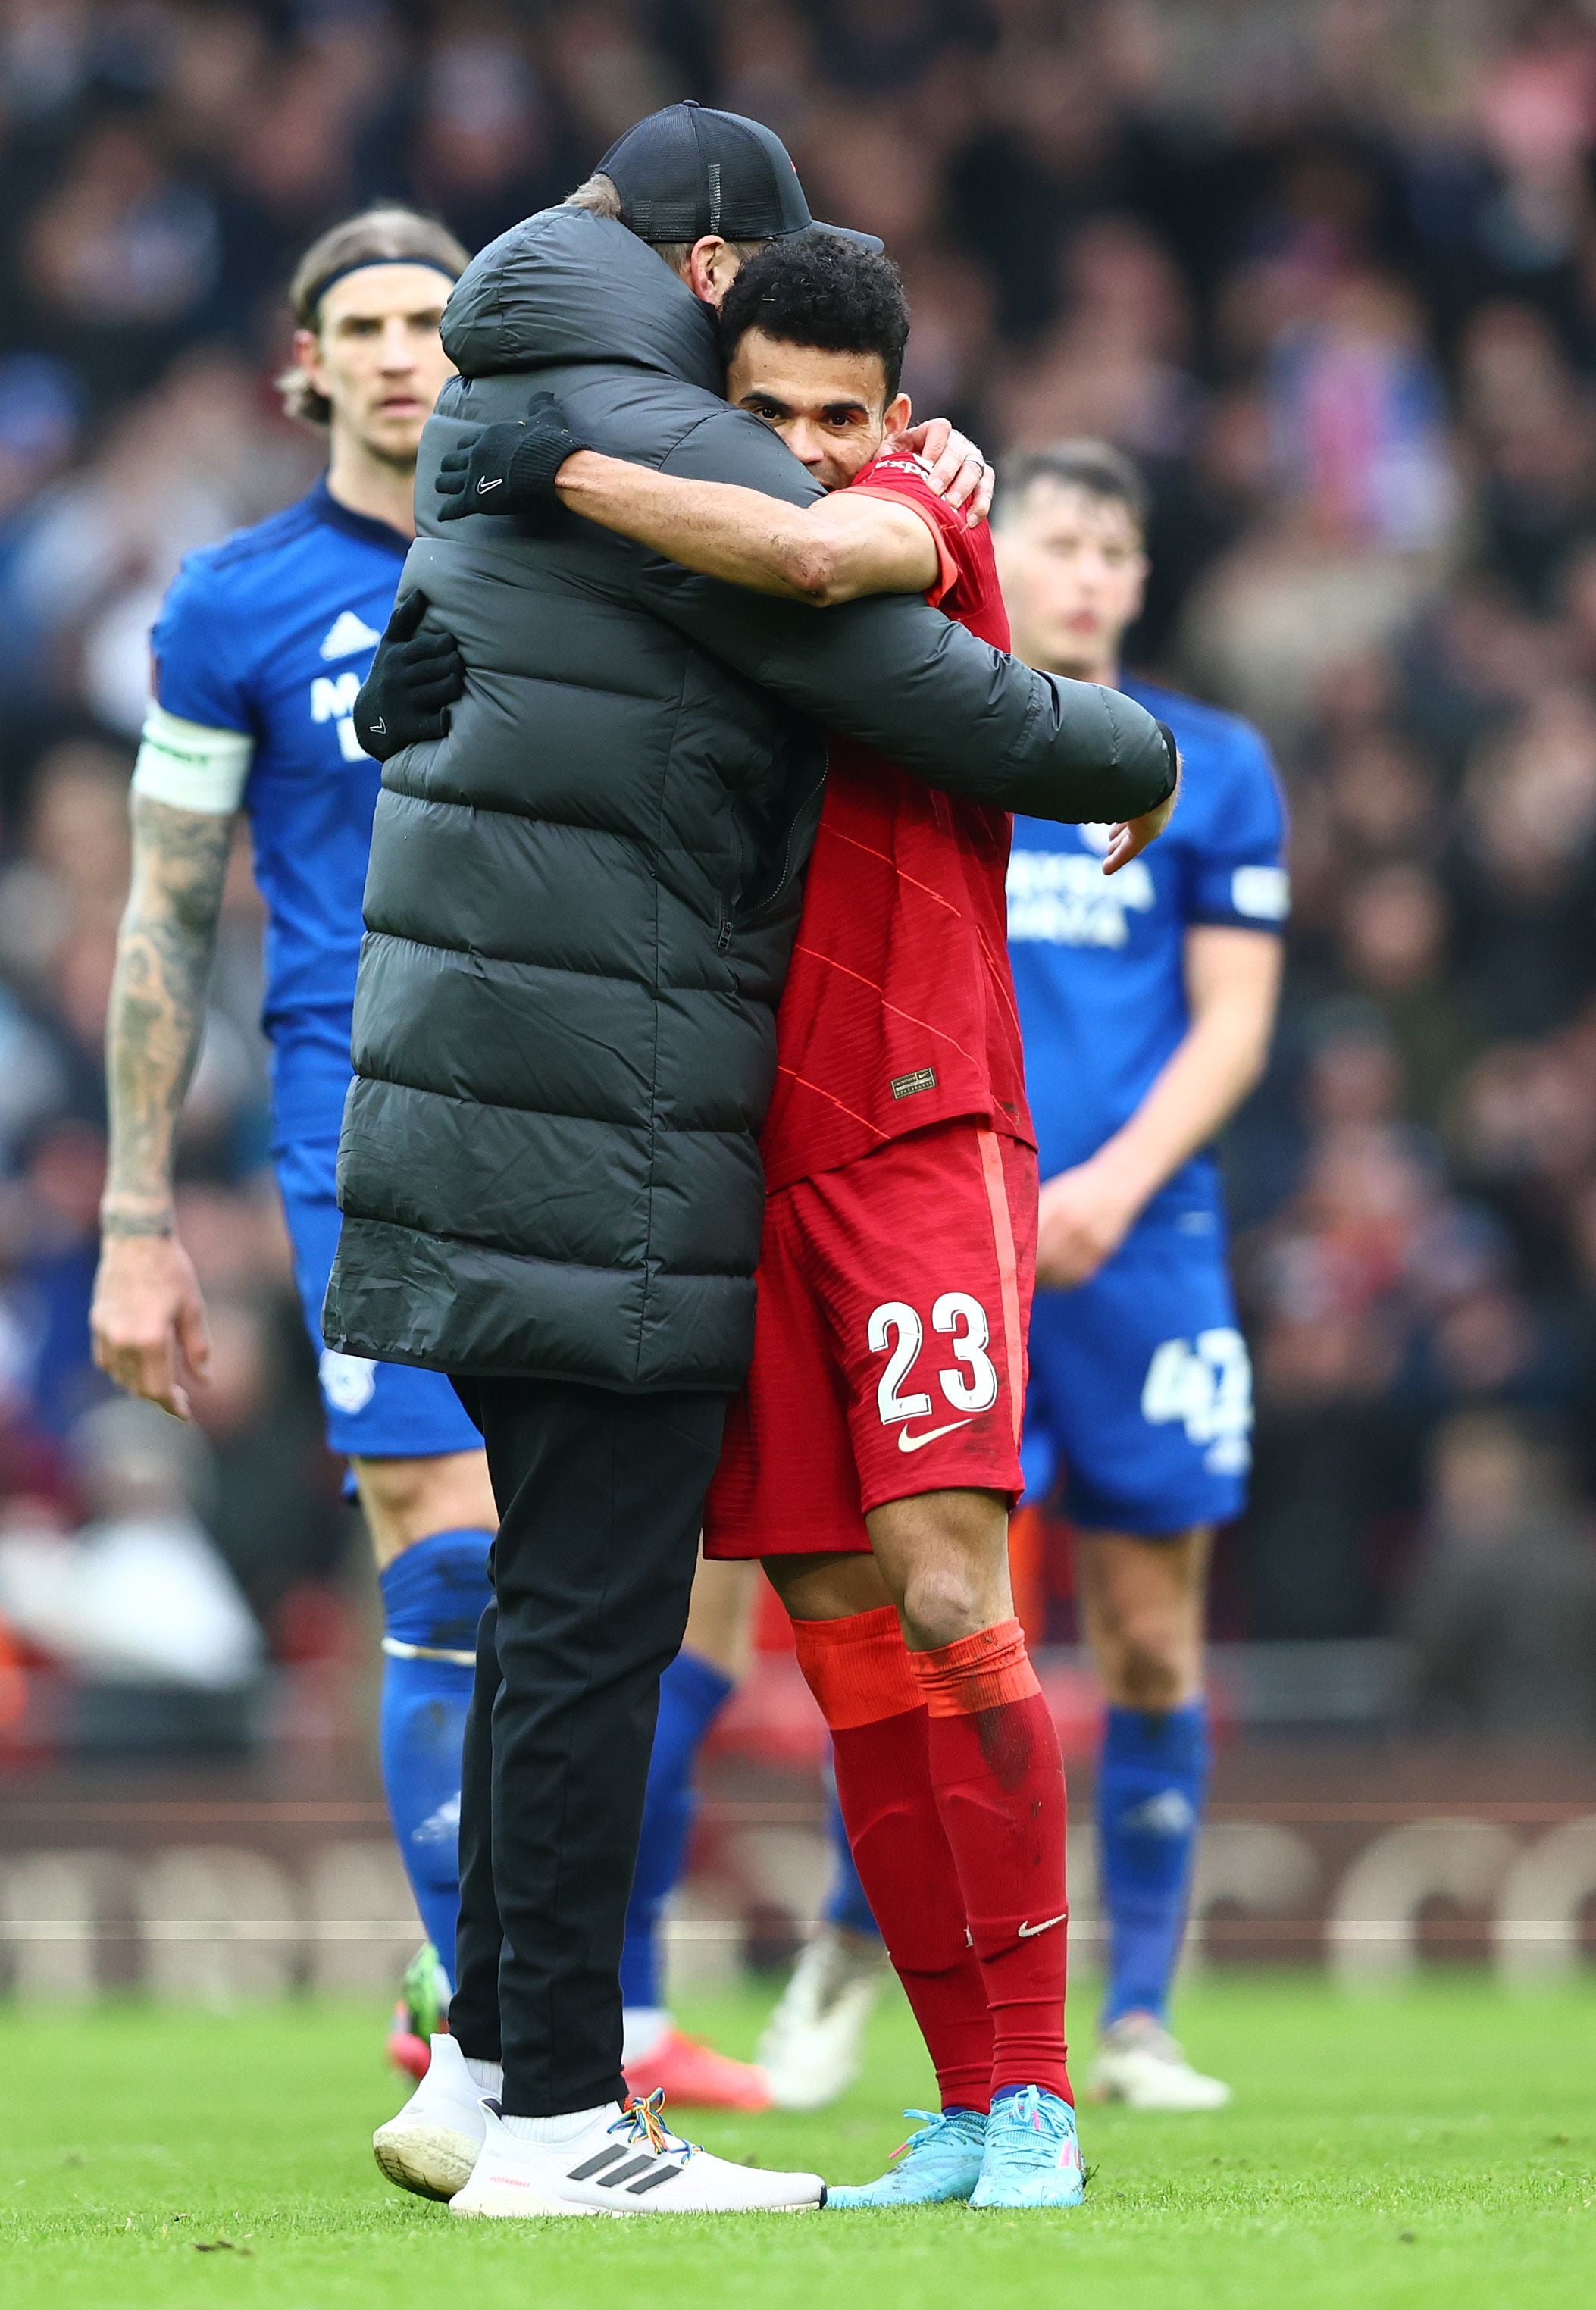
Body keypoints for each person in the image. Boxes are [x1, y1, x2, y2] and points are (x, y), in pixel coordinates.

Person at [346, 103, 1176, 2221]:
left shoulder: (553, 421)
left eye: (847, 416)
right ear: (712, 285)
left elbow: (854, 610)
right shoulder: (639, 431)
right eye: (772, 409)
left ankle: (998, 2092)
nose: (800, 444)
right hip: (645, 1122)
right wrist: (1125, 743)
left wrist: (926, 531)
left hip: (845, 1116)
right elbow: (824, 587)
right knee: (653, 1613)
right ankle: (551, 2101)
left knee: (853, 1592)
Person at [84, 202, 763, 2110]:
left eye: (432, 322)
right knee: (449, 1563)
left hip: (594, 1107)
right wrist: (138, 1220)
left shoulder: (586, 535)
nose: (401, 352)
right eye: (363, 322)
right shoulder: (229, 603)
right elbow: (163, 913)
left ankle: (586, 2005)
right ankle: (488, 2020)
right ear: (303, 364)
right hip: (358, 1124)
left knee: (659, 1567)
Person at [998, 441, 1286, 2108]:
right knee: (938, 1617)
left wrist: (1108, 1188)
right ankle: (857, 1955)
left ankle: (1141, 2019)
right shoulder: (936, 729)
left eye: (1117, 545)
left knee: (1152, 1636)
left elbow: (1237, 1019)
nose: (1091, 570)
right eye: (1062, 539)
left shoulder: (1215, 764)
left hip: (1144, 1243)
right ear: (1005, 556)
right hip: (962, 1230)